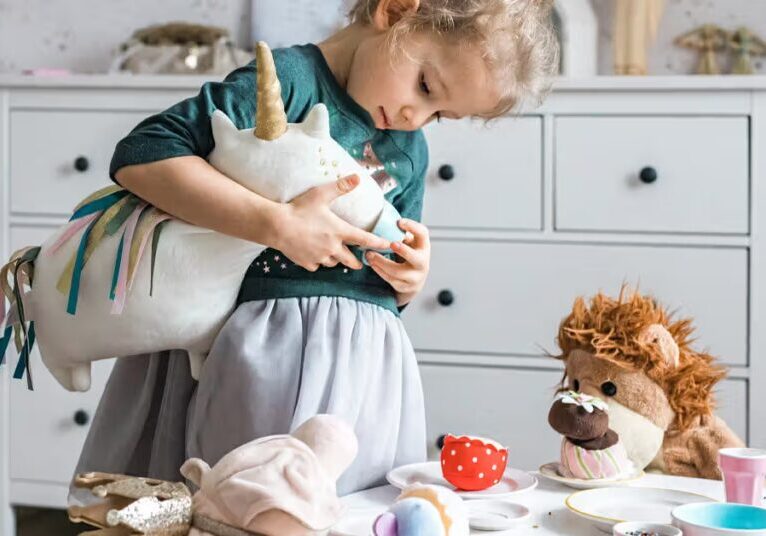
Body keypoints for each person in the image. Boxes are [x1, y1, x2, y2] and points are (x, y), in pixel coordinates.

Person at [73, 0, 559, 495]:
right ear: (393, 12)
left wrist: (410, 278)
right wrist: (276, 224)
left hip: (369, 374)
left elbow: (389, 261)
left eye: (440, 115)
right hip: (266, 357)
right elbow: (144, 153)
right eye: (426, 86)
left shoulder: (409, 148)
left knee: (357, 506)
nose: (417, 118)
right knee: (255, 502)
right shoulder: (287, 82)